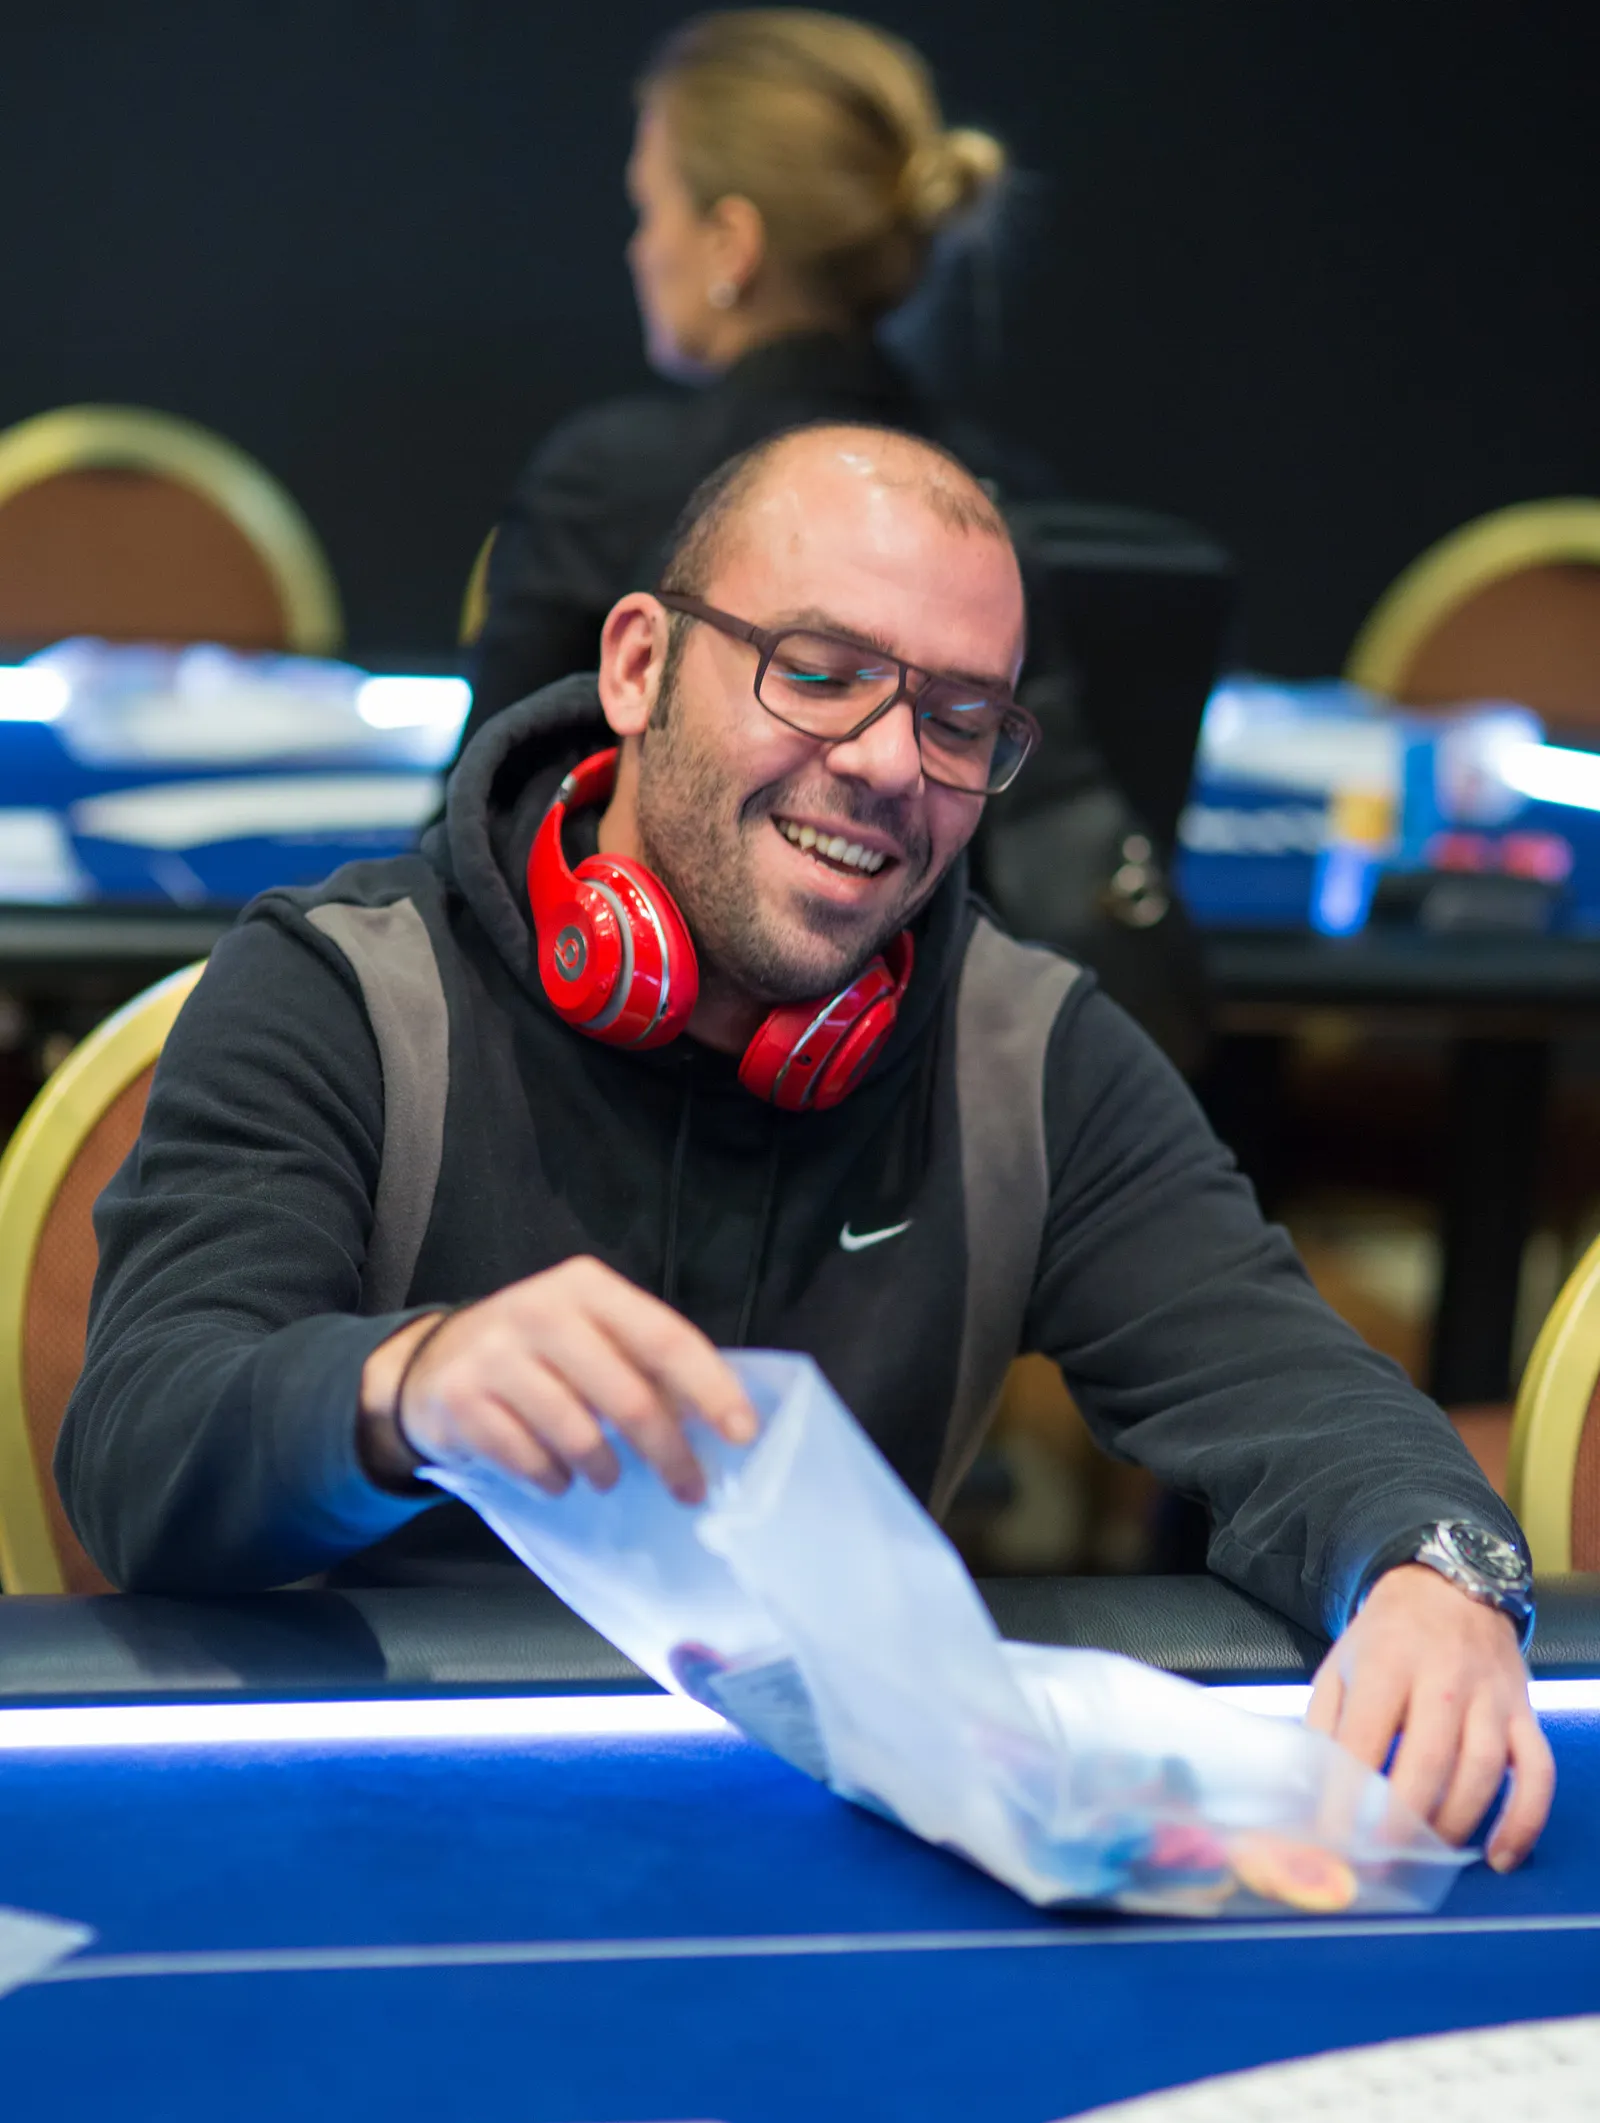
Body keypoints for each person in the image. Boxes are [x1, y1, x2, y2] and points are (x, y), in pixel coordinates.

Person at [60, 422, 1552, 1873]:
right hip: (361, 1828)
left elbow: (1288, 1384)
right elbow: (139, 1448)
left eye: (958, 720)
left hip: (808, 1845)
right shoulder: (341, 988)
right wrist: (404, 1386)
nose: (890, 762)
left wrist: (1433, 1568)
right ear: (638, 667)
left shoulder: (1025, 1050)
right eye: (821, 672)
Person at [464, 7, 1042, 736]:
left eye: (650, 209)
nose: (639, 250)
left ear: (732, 244)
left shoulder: (606, 485)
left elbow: (491, 791)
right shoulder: (1008, 496)